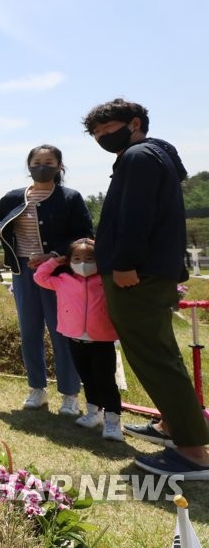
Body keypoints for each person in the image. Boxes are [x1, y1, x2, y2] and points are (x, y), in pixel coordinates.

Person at [82, 98, 209, 479]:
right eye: (96, 134)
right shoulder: (155, 155)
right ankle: (174, 426)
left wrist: (124, 263)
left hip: (138, 274)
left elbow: (135, 217)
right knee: (162, 353)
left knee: (153, 357)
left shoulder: (138, 156)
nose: (103, 137)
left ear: (135, 123)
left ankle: (193, 453)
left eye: (108, 129)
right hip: (153, 273)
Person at [0, 145, 92, 415]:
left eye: (49, 161)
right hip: (23, 272)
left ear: (59, 166)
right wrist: (3, 231)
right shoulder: (14, 196)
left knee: (62, 331)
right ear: (29, 166)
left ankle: (70, 393)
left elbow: (83, 234)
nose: (42, 165)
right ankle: (37, 389)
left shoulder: (70, 197)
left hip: (57, 273)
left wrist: (54, 253)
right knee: (30, 331)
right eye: (37, 161)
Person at [33, 239, 123, 441]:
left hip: (102, 341)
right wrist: (56, 261)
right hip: (75, 340)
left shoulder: (105, 280)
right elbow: (40, 276)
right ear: (69, 260)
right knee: (88, 379)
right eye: (77, 258)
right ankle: (93, 413)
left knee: (106, 381)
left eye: (90, 258)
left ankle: (112, 421)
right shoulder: (63, 279)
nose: (83, 263)